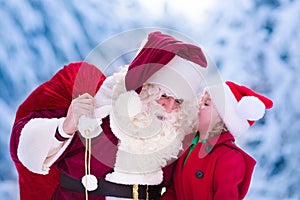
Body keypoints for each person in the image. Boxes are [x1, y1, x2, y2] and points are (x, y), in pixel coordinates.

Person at [10, 31, 214, 200]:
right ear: (145, 88)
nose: (169, 108)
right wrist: (65, 128)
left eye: (178, 101)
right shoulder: (100, 105)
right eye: (164, 96)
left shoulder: (179, 135)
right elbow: (22, 146)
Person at [161, 81, 273, 200]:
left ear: (224, 122)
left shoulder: (229, 157)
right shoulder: (188, 146)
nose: (198, 106)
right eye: (200, 101)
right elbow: (174, 190)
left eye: (206, 104)